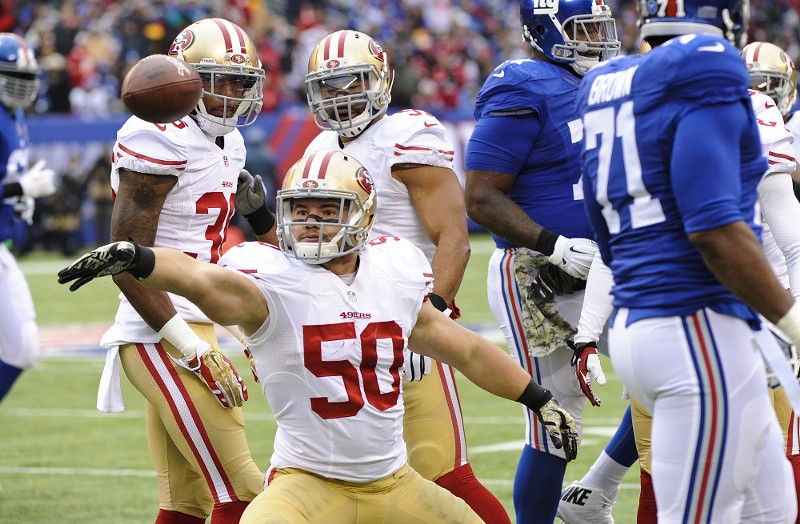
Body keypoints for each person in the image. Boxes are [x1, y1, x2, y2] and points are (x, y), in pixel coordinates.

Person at [58, 150, 580, 524]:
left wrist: (539, 399)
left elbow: (465, 348)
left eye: (327, 211)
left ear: (363, 215)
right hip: (304, 487)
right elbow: (200, 278)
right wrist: (138, 256)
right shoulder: (270, 284)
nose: (310, 223)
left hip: (396, 483)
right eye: (300, 211)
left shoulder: (393, 273)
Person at [576, 0, 800, 519]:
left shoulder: (605, 82)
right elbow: (715, 228)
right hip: (696, 325)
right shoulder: (706, 64)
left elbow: (600, 216)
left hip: (641, 319)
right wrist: (791, 322)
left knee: (771, 511)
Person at [301, 29, 509, 523]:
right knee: (341, 478)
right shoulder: (317, 149)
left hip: (407, 317)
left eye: (352, 82)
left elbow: (453, 239)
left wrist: (427, 323)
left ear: (381, 81)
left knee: (444, 472)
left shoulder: (406, 134)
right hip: (341, 330)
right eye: (328, 86)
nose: (341, 96)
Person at [95, 18, 278, 523]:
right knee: (246, 492)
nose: (237, 93)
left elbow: (212, 258)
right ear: (186, 81)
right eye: (224, 79)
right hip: (158, 333)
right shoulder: (157, 137)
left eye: (245, 81)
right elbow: (125, 258)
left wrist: (244, 335)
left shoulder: (232, 142)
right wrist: (189, 345)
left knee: (186, 506)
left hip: (199, 319)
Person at [464, 0, 620, 521]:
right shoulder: (523, 83)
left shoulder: (608, 82)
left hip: (615, 264)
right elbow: (481, 196)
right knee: (557, 421)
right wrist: (553, 242)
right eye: (585, 29)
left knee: (663, 376)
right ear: (546, 30)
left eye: (603, 27)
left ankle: (596, 490)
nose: (599, 39)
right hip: (541, 275)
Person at [0, 33, 56, 403]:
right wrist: (19, 189)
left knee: (25, 347)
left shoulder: (15, 116)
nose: (21, 88)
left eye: (27, 78)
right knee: (20, 347)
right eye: (12, 77)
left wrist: (18, 200)